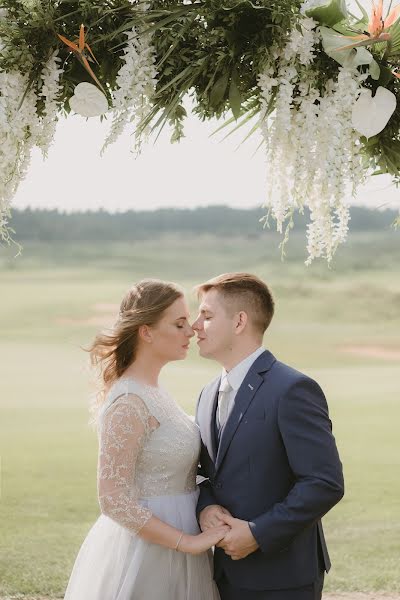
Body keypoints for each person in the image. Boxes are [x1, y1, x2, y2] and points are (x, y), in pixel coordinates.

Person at [64, 279, 226, 600]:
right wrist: (187, 542)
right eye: (179, 324)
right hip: (149, 550)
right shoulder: (129, 402)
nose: (191, 331)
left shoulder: (153, 391)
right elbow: (112, 499)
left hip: (181, 538)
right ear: (146, 331)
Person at [192, 272, 344, 600]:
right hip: (223, 573)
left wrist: (258, 533)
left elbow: (324, 482)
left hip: (282, 578)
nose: (195, 325)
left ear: (239, 322)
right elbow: (208, 475)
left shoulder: (292, 389)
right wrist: (206, 509)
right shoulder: (206, 394)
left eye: (206, 315)